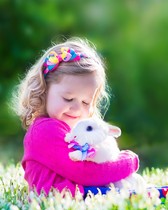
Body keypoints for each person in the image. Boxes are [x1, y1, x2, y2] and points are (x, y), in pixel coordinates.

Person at [13, 37, 139, 198]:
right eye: (68, 98)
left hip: (79, 193)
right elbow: (86, 173)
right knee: (140, 195)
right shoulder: (45, 130)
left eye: (86, 102)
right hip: (66, 196)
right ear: (44, 91)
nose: (77, 109)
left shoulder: (71, 131)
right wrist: (129, 161)